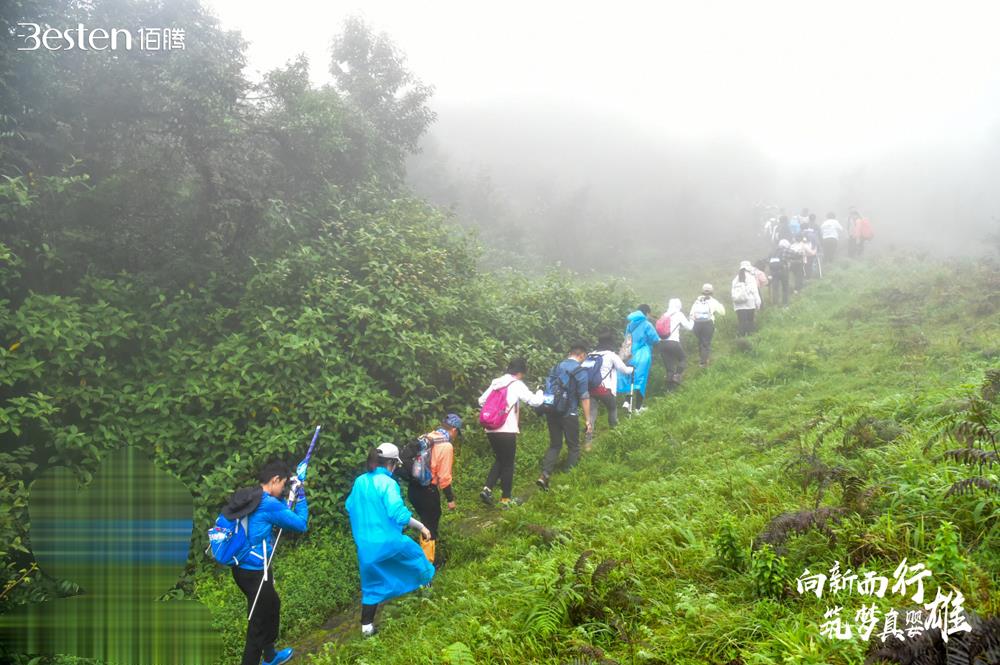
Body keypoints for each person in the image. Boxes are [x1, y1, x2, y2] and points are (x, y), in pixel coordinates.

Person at [224, 459, 308, 665]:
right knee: (258, 625)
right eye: (283, 484)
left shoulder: (252, 496)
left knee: (271, 605)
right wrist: (302, 495)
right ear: (275, 480)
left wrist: (293, 491)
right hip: (256, 572)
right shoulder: (267, 503)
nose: (283, 489)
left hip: (241, 569)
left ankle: (270, 656)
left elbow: (279, 509)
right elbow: (300, 524)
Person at [346, 443, 435, 638]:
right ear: (391, 464)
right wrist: (421, 526)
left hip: (366, 548)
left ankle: (367, 628)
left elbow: (350, 505)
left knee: (371, 586)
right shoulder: (387, 483)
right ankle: (429, 595)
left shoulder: (360, 481)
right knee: (417, 557)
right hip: (390, 543)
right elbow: (398, 513)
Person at [478, 358, 544, 507]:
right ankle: (506, 499)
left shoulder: (496, 382)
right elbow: (534, 401)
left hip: (490, 427)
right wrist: (540, 391)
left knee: (500, 459)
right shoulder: (516, 384)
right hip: (506, 429)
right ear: (520, 372)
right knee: (508, 463)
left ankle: (487, 489)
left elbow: (481, 400)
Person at [407, 413, 461, 566]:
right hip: (428, 491)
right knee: (429, 527)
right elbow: (444, 478)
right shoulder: (446, 446)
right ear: (454, 430)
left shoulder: (427, 437)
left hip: (413, 489)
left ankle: (426, 561)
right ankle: (426, 568)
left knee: (425, 523)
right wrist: (450, 499)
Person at [536, 342, 592, 491]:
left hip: (552, 410)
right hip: (569, 413)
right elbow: (584, 396)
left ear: (569, 354)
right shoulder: (580, 371)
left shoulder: (556, 367)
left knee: (555, 444)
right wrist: (588, 420)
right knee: (574, 446)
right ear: (582, 355)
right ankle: (567, 480)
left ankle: (545, 474)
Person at [584, 332, 632, 448]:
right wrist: (632, 369)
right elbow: (624, 370)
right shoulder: (611, 355)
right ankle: (614, 432)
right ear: (610, 342)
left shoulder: (591, 355)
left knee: (591, 415)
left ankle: (588, 442)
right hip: (605, 389)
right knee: (612, 409)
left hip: (590, 389)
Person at [617, 304, 661, 413]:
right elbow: (655, 339)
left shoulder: (630, 325)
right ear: (646, 313)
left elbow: (627, 339)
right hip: (642, 353)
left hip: (630, 354)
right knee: (641, 379)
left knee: (630, 377)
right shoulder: (647, 324)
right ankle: (638, 408)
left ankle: (627, 402)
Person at [657, 298, 693, 390]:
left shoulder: (664, 315)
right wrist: (692, 320)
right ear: (679, 305)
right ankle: (677, 376)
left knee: (669, 368)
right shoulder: (679, 314)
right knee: (683, 359)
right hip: (673, 342)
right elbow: (689, 327)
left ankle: (669, 391)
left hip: (662, 343)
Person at [689, 284, 726, 367]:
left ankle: (701, 359)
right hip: (708, 324)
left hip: (697, 324)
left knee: (700, 341)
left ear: (702, 291)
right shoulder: (713, 301)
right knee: (706, 342)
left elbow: (691, 314)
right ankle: (704, 363)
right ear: (712, 291)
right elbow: (723, 312)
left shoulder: (697, 301)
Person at [732, 260, 762, 336]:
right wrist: (758, 303)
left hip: (738, 305)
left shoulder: (735, 279)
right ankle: (750, 337)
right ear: (749, 268)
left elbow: (733, 293)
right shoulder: (751, 278)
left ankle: (741, 338)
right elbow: (755, 291)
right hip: (750, 303)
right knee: (750, 321)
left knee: (741, 322)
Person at [768, 240, 792, 306]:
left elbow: (768, 261)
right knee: (785, 288)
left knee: (775, 288)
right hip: (783, 271)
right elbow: (795, 255)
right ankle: (785, 304)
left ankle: (775, 304)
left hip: (774, 271)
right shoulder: (786, 250)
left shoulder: (773, 251)